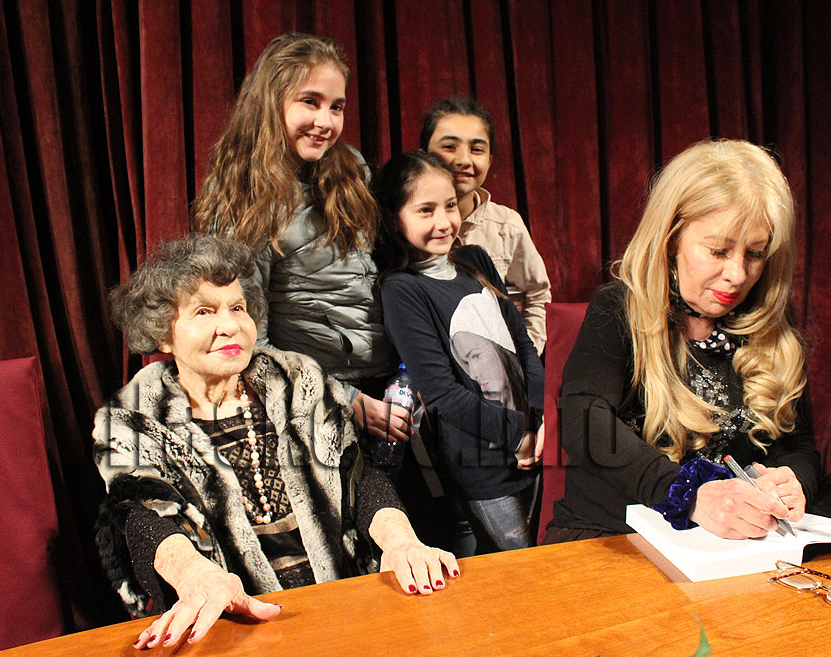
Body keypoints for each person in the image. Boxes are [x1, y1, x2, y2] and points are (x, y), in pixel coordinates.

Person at [94, 235, 458, 650]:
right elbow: (144, 514)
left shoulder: (301, 383)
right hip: (234, 626)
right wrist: (195, 575)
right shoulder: (132, 421)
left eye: (237, 308)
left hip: (344, 610)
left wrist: (401, 541)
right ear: (163, 334)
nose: (230, 325)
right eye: (204, 311)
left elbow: (358, 476)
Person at [544, 139, 820, 544]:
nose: (738, 274)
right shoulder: (619, 307)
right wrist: (686, 494)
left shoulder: (769, 324)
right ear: (672, 237)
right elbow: (583, 422)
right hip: (611, 538)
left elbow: (799, 446)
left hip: (728, 547)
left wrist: (793, 481)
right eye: (718, 251)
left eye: (755, 254)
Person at [192, 33, 409, 450]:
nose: (325, 122)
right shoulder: (244, 197)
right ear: (271, 102)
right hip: (315, 401)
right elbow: (247, 343)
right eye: (310, 102)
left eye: (336, 107)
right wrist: (347, 401)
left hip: (389, 384)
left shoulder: (352, 169)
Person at [374, 151, 545, 554]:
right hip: (481, 463)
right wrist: (516, 435)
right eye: (425, 210)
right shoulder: (402, 289)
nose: (443, 221)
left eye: (449, 206)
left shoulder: (475, 260)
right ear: (394, 219)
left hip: (532, 442)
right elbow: (443, 395)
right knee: (519, 567)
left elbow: (523, 346)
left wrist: (539, 421)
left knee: (545, 553)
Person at [421, 98, 551, 354]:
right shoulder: (402, 223)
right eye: (449, 146)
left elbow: (536, 295)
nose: (464, 160)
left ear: (490, 161)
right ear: (423, 154)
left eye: (477, 149)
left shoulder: (507, 226)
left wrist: (524, 358)